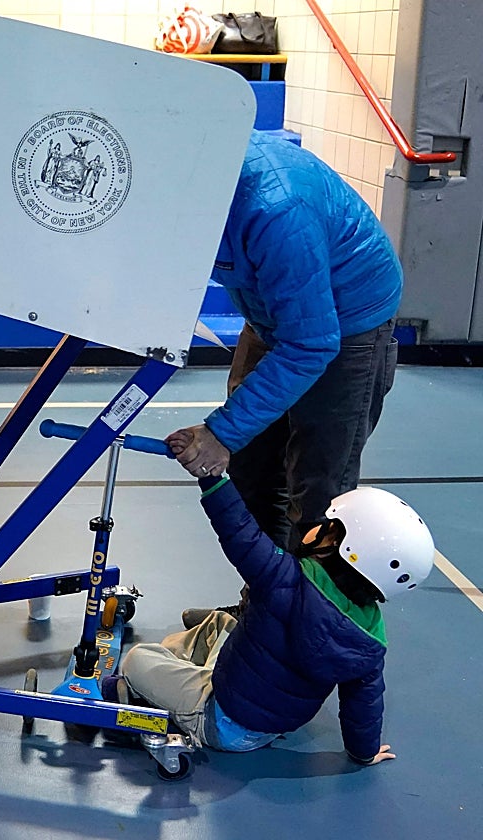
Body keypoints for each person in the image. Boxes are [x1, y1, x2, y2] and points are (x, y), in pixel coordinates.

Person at [168, 129, 401, 627]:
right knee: (252, 472)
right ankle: (267, 614)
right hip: (275, 313)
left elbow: (312, 342)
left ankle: (304, 637)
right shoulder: (182, 174)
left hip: (347, 320)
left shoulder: (278, 211)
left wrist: (221, 432)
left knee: (320, 495)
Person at [106, 471, 434, 764]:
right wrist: (364, 753)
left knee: (138, 658)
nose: (316, 526)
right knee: (224, 624)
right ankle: (179, 671)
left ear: (336, 543)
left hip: (217, 718)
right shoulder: (371, 642)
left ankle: (146, 689)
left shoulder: (284, 578)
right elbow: (363, 705)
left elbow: (239, 532)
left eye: (326, 525)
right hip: (267, 726)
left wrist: (211, 477)